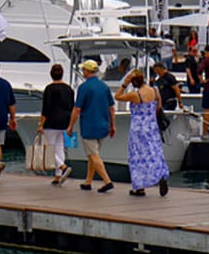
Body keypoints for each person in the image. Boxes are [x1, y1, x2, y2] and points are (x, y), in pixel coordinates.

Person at [115, 69, 170, 197]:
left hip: (138, 128)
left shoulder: (135, 95)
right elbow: (158, 107)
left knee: (138, 157)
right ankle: (161, 173)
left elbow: (117, 96)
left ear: (134, 82)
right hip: (151, 126)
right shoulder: (155, 91)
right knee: (154, 152)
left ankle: (139, 187)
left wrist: (124, 84)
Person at [67, 60, 116, 193]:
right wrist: (113, 125)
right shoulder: (104, 87)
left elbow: (77, 109)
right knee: (92, 155)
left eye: (84, 70)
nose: (83, 72)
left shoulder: (84, 88)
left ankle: (107, 181)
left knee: (93, 155)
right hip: (103, 125)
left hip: (89, 125)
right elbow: (111, 107)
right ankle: (88, 181)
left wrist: (70, 126)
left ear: (87, 71)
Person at [38, 63, 74, 185]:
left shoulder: (49, 89)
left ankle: (62, 167)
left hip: (51, 122)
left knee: (49, 148)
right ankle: (58, 176)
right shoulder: (69, 89)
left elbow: (46, 108)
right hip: (65, 121)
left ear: (51, 74)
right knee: (59, 147)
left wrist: (41, 123)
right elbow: (71, 106)